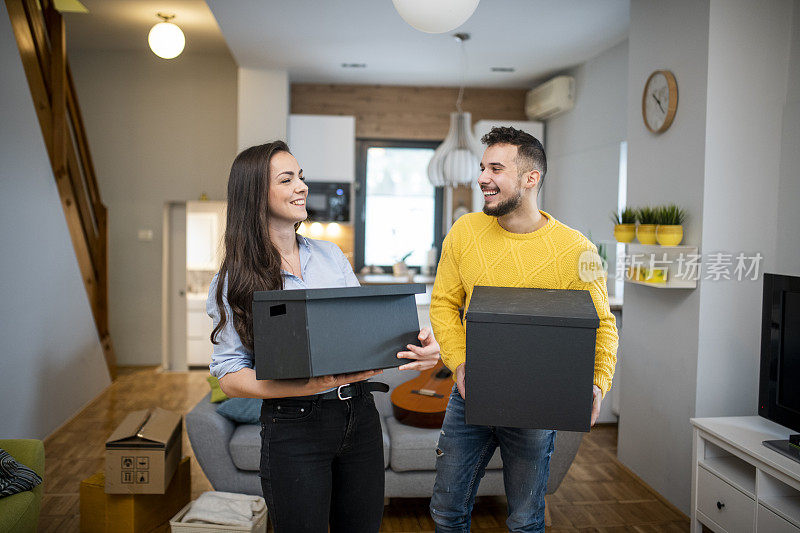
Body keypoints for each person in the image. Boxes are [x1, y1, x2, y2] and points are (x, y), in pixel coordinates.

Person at [207, 141, 440, 533]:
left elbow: (364, 333)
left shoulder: (331, 256)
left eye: (301, 177)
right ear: (254, 194)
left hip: (360, 415)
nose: (302, 187)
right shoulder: (233, 280)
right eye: (287, 179)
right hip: (293, 426)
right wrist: (304, 386)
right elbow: (228, 376)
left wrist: (418, 346)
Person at [428, 127, 618, 533]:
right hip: (470, 395)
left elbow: (602, 324)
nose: (482, 177)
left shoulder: (577, 249)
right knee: (446, 511)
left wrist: (599, 383)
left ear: (531, 178)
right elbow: (444, 304)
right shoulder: (464, 232)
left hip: (538, 404)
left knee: (525, 520)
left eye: (496, 168)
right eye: (482, 167)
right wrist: (458, 362)